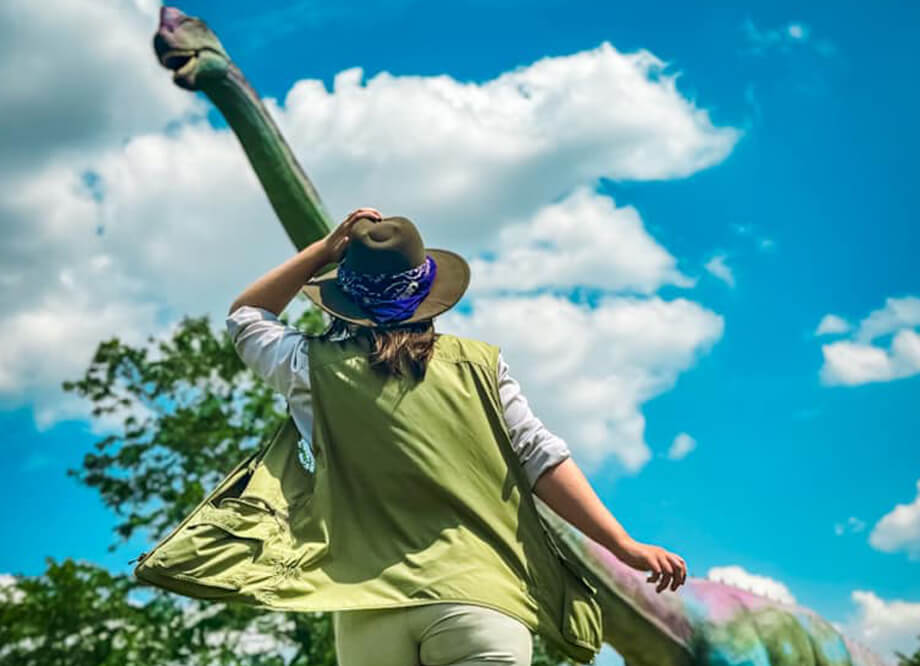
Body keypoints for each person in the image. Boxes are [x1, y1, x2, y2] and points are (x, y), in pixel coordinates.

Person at [226, 207, 687, 666]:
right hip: (480, 601)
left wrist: (324, 250)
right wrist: (623, 544)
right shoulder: (481, 367)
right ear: (429, 293)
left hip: (368, 605)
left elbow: (247, 316)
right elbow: (540, 457)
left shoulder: (310, 369)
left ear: (345, 299)